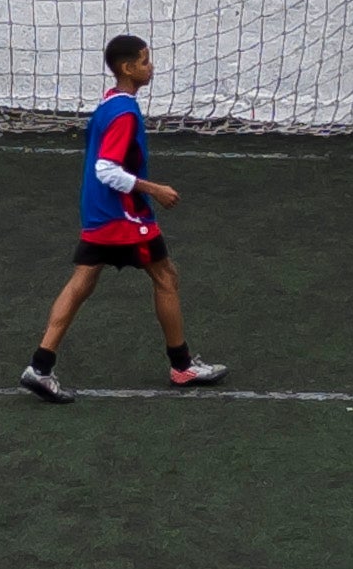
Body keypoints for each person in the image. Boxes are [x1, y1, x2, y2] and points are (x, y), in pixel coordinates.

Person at [22, 35, 228, 400]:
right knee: (166, 276)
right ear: (127, 68)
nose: (152, 67)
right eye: (146, 62)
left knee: (81, 283)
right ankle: (182, 367)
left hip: (99, 215)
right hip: (125, 219)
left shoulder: (109, 103)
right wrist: (155, 189)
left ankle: (40, 367)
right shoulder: (124, 114)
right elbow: (106, 169)